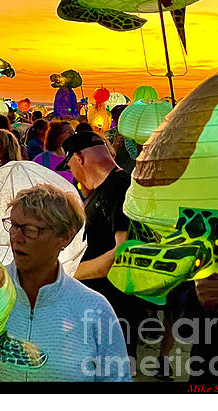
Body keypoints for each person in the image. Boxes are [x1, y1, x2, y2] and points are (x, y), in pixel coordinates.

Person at [0, 183, 130, 381]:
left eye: (31, 229)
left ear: (65, 238)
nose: (16, 237)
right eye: (13, 225)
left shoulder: (94, 308)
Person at [59, 133, 146, 359]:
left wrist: (69, 272)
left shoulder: (120, 186)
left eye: (70, 167)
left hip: (115, 310)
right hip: (97, 306)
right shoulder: (103, 189)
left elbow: (124, 253)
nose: (73, 175)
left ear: (79, 158)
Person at [33, 120, 76, 186]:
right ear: (56, 135)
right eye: (69, 132)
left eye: (74, 133)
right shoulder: (41, 160)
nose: (73, 136)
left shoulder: (76, 159)